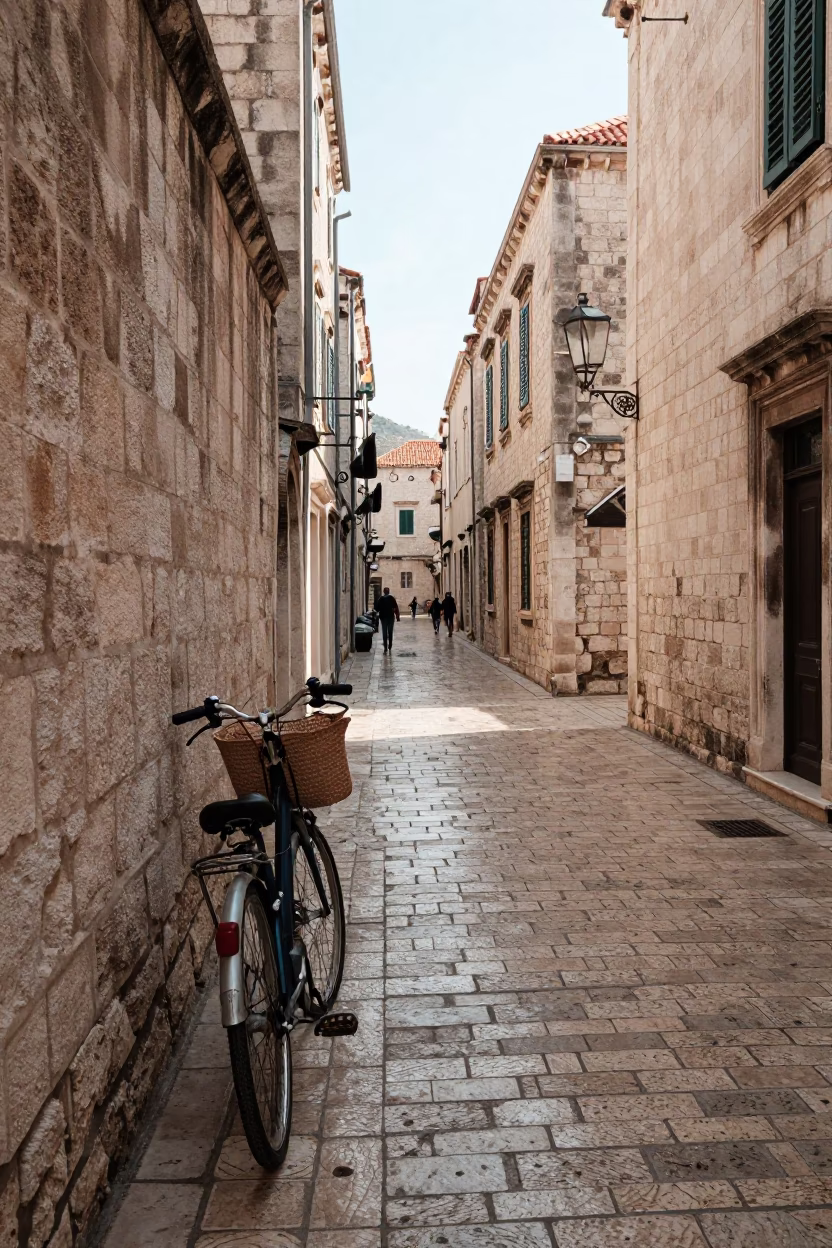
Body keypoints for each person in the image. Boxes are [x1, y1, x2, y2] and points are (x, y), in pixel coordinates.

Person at [375, 587, 400, 653]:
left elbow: (377, 609)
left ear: (383, 592)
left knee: (384, 632)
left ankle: (385, 647)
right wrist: (397, 617)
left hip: (383, 618)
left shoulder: (381, 599)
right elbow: (396, 607)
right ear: (388, 592)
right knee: (390, 631)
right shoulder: (391, 598)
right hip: (390, 617)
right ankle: (390, 646)